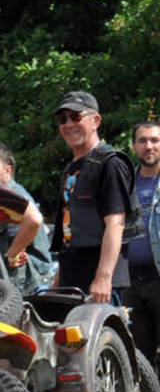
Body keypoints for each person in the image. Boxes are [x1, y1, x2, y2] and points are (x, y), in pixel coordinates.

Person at [49, 91, 136, 304]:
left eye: (76, 117)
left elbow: (116, 224)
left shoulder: (110, 163)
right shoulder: (71, 169)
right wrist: (56, 285)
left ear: (95, 121)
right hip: (71, 279)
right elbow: (70, 235)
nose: (68, 124)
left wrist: (103, 278)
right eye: (63, 119)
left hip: (99, 284)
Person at [0, 144, 53, 293]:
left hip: (27, 279)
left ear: (8, 170)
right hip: (12, 277)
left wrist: (12, 254)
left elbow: (34, 220)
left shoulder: (14, 197)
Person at [122, 121, 160, 363]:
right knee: (138, 358)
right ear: (134, 146)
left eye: (155, 140)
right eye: (142, 141)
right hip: (130, 282)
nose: (149, 146)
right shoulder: (125, 185)